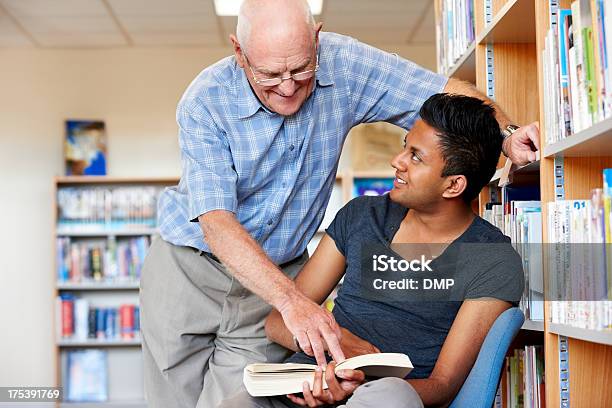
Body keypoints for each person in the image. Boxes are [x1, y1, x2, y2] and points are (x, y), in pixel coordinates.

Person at [139, 0, 538, 406]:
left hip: (278, 271)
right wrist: (297, 305)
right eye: (270, 75)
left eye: (301, 69)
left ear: (317, 41)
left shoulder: (346, 64)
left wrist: (505, 134)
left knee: (233, 399)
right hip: (190, 264)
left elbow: (447, 95)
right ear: (238, 54)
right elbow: (217, 221)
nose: (288, 86)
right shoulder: (205, 100)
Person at [219, 93, 525, 408]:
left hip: (391, 396)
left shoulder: (492, 259)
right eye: (405, 146)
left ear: (453, 185)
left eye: (416, 156)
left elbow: (443, 385)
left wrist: (352, 390)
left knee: (390, 395)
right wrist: (334, 341)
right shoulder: (362, 216)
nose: (398, 161)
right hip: (311, 384)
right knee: (240, 403)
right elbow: (278, 322)